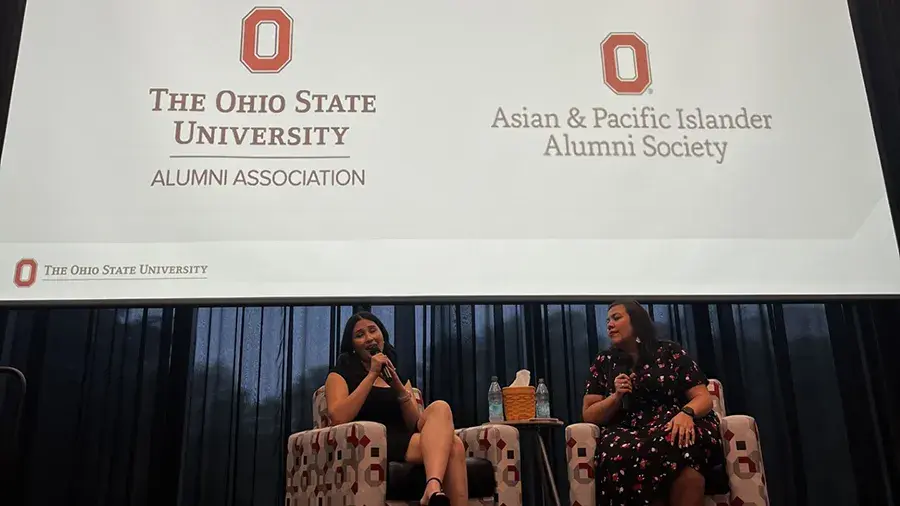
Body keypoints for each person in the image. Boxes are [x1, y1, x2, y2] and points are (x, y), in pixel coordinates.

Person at [582, 301, 729, 506]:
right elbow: (589, 414)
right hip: (628, 429)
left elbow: (704, 398)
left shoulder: (669, 351)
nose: (609, 324)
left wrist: (686, 413)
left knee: (681, 445)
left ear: (636, 321)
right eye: (607, 320)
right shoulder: (603, 362)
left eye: (616, 318)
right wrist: (615, 397)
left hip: (674, 420)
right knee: (619, 450)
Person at [325, 311, 467, 506]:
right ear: (353, 347)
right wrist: (372, 375)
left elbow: (413, 423)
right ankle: (432, 489)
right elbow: (338, 417)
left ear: (382, 335)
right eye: (360, 335)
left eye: (373, 331)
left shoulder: (396, 371)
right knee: (454, 445)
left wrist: (398, 385)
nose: (369, 338)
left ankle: (432, 487)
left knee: (441, 408)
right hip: (372, 444)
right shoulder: (341, 374)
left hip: (406, 437)